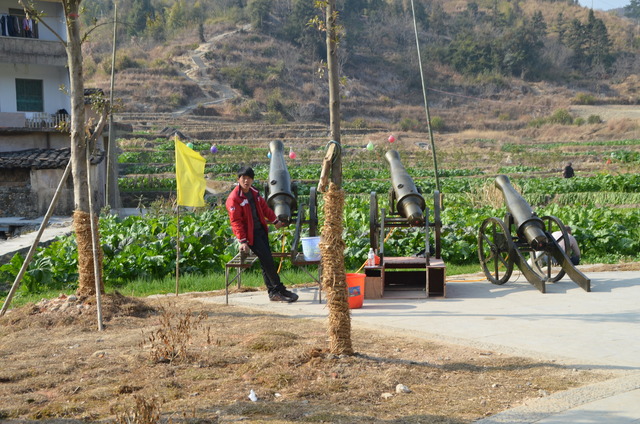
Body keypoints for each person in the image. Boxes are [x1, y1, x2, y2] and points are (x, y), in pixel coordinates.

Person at [226, 166, 299, 302]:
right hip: (250, 235)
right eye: (243, 178)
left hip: (261, 231)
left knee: (266, 262)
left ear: (252, 180)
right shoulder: (234, 199)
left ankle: (273, 292)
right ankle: (279, 289)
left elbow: (265, 208)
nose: (246, 181)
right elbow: (236, 222)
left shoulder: (254, 193)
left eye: (249, 178)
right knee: (268, 261)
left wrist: (275, 220)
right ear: (239, 180)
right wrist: (242, 241)